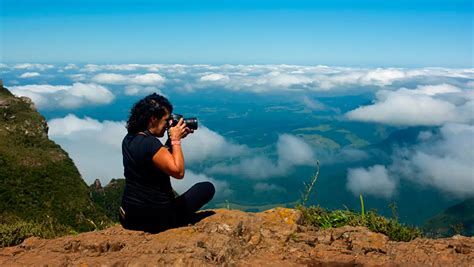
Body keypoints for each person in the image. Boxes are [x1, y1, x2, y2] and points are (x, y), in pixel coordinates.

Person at [119, 93, 215, 233]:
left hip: (129, 217)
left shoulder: (129, 139)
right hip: (158, 220)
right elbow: (178, 171)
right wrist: (175, 139)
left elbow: (156, 157)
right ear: (153, 119)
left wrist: (171, 141)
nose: (167, 125)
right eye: (165, 120)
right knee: (206, 188)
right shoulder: (150, 143)